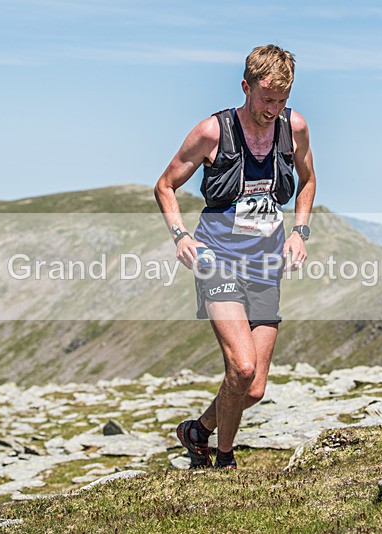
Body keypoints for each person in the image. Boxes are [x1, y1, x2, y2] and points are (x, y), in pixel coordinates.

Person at [154, 44, 316, 469]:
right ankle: (222, 460)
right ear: (246, 87)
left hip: (265, 265)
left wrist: (299, 232)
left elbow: (308, 180)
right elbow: (165, 185)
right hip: (218, 259)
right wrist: (180, 236)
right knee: (242, 369)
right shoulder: (213, 132)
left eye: (282, 99)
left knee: (255, 388)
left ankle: (198, 430)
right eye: (266, 98)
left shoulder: (293, 127)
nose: (273, 108)